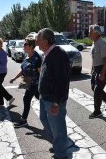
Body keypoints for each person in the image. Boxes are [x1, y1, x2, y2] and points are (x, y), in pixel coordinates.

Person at [36, 28, 70, 159]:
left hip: (54, 100)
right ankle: (58, 144)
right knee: (45, 120)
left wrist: (56, 102)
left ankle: (61, 154)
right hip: (45, 97)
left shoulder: (58, 54)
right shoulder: (47, 53)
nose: (36, 42)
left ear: (45, 41)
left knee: (58, 127)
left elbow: (62, 81)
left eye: (38, 40)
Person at [10, 37, 42, 127]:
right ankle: (50, 108)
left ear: (31, 46)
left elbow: (41, 73)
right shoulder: (26, 55)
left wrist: (43, 84)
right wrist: (14, 78)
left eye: (25, 44)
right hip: (28, 82)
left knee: (26, 99)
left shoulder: (37, 58)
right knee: (39, 97)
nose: (23, 46)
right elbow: (23, 70)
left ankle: (23, 120)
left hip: (34, 83)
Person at [88, 24, 106, 119]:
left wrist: (102, 72)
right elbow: (94, 57)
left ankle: (97, 111)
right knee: (93, 87)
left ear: (96, 33)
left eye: (90, 32)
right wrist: (92, 68)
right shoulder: (94, 42)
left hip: (103, 68)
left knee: (97, 90)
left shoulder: (101, 43)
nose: (89, 34)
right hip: (96, 68)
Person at [0, 37, 15, 106]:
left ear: (2, 44)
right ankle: (1, 102)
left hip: (2, 72)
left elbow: (3, 65)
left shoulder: (3, 53)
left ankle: (9, 97)